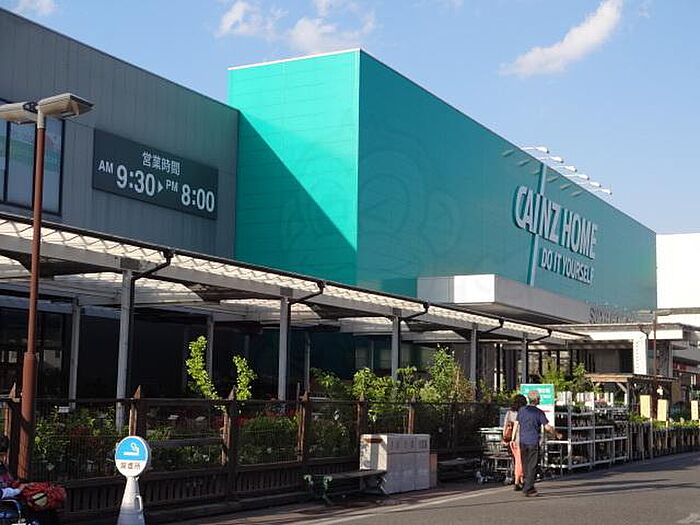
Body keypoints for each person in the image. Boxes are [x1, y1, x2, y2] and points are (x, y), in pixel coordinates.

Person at [518, 390, 562, 497]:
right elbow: (547, 427)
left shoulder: (522, 410)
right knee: (532, 465)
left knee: (525, 464)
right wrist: (556, 434)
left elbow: (518, 423)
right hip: (533, 441)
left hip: (522, 440)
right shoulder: (539, 412)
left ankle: (527, 485)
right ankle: (528, 488)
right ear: (537, 399)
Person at [503, 394, 527, 490]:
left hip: (512, 441)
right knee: (520, 461)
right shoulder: (523, 413)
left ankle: (520, 479)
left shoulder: (509, 413)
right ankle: (517, 480)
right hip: (521, 439)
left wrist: (505, 438)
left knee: (517, 460)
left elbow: (505, 426)